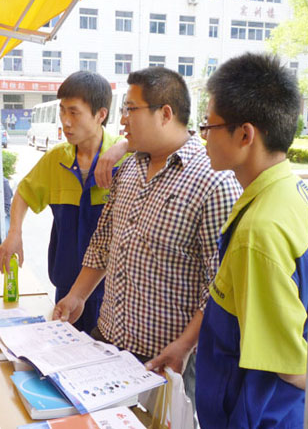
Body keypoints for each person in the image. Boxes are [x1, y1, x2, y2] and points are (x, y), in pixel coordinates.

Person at [53, 66, 242, 409]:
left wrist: (184, 345)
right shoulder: (128, 168)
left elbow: (220, 286)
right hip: (107, 344)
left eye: (131, 109)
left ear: (165, 114)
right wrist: (77, 296)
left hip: (165, 360)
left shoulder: (213, 182)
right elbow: (102, 244)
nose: (122, 120)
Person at [194, 52, 308, 427]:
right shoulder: (291, 191)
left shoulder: (259, 231)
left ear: (245, 134)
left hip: (260, 412)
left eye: (209, 126)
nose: (204, 138)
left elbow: (289, 366)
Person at [0, 70, 130, 333]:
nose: (65, 122)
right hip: (66, 286)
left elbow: (166, 144)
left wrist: (126, 146)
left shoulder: (125, 158)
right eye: (62, 111)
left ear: (101, 114)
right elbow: (24, 192)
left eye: (74, 112)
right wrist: (14, 233)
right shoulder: (56, 159)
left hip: (114, 293)